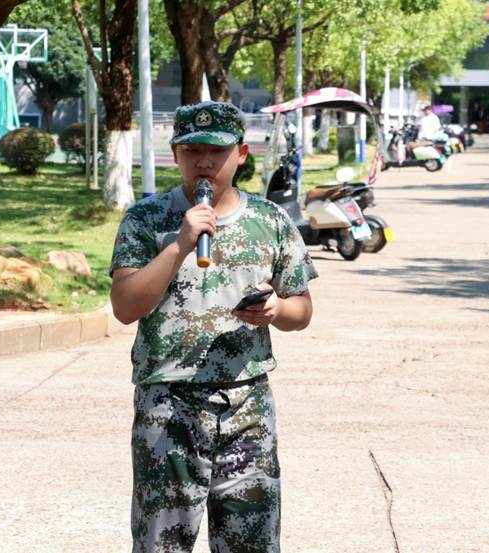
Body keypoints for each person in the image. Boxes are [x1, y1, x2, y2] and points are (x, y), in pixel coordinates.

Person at [110, 101, 318, 553]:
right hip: (168, 403)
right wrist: (180, 245)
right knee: (161, 544)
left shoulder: (269, 220)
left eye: (217, 151)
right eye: (192, 151)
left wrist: (275, 310)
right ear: (175, 154)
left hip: (247, 405)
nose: (204, 162)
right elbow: (125, 306)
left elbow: (302, 310)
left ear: (241, 153)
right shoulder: (146, 220)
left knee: (252, 543)